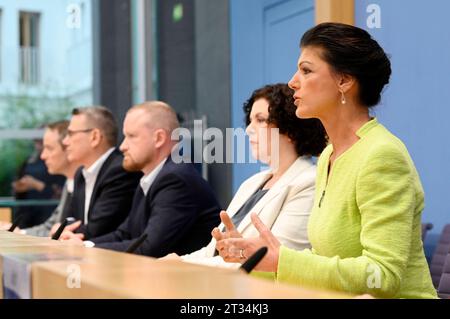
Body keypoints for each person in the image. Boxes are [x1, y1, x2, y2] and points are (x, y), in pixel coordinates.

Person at [216, 22, 437, 299]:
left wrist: (283, 260)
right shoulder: (328, 157)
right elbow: (327, 259)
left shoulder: (381, 154)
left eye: (306, 70)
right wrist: (258, 260)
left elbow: (382, 275)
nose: (292, 82)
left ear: (344, 81)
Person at [164, 83, 326, 268]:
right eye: (250, 121)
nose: (248, 129)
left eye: (260, 119)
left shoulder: (309, 183)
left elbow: (276, 260)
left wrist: (183, 266)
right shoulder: (252, 183)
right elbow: (213, 251)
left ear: (289, 129)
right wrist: (178, 260)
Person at [63, 101, 221, 257]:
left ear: (159, 138)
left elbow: (149, 248)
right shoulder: (152, 177)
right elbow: (124, 233)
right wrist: (85, 244)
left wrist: (86, 248)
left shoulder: (176, 179)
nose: (123, 146)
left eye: (131, 136)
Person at [59, 106, 142, 239]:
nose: (65, 142)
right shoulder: (80, 173)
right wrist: (64, 229)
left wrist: (63, 232)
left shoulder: (120, 170)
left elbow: (98, 230)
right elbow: (70, 220)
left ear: (95, 137)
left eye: (70, 134)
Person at [12, 136, 65, 228]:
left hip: (48, 214)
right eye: (36, 142)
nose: (39, 146)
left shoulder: (58, 164)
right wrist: (19, 187)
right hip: (27, 213)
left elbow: (62, 192)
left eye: (41, 143)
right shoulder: (29, 161)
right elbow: (18, 183)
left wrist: (37, 185)